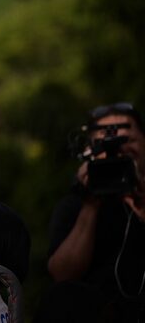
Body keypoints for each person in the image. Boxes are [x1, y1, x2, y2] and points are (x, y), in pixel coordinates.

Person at [35, 102, 145, 322]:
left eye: (128, 141)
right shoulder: (75, 206)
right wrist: (90, 204)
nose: (119, 152)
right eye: (106, 146)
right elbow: (62, 276)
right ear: (90, 151)